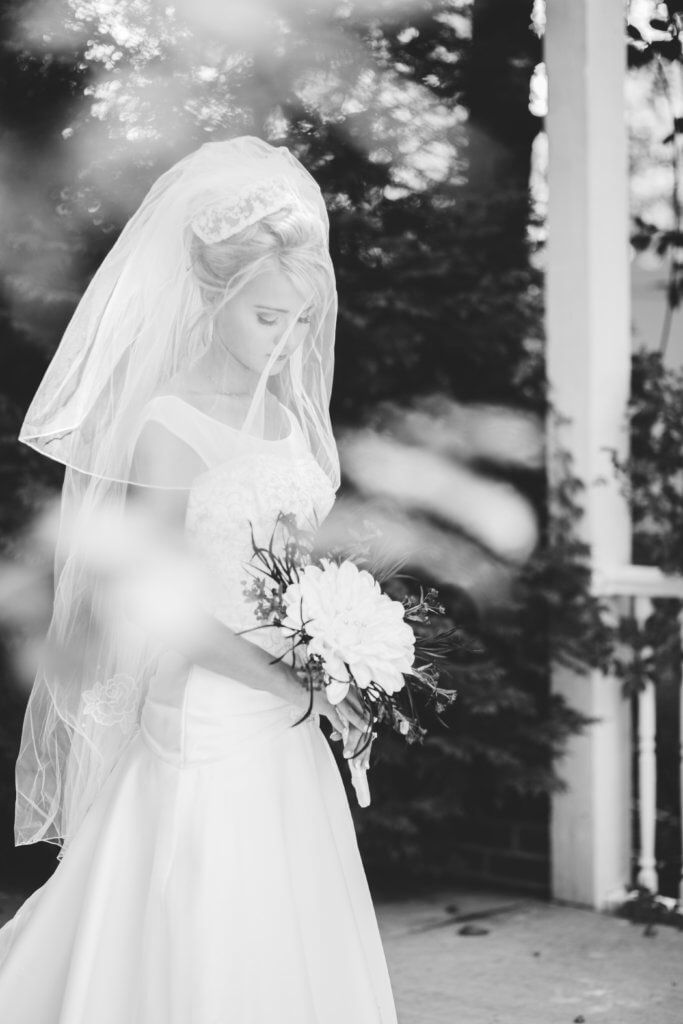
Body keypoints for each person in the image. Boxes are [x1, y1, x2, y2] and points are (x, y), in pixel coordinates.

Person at [0, 136, 398, 1022]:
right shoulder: (167, 426)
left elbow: (290, 567)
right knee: (207, 917)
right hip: (206, 711)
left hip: (283, 710)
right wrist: (296, 679)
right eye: (267, 319)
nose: (287, 343)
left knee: (289, 920)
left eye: (299, 322)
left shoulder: (289, 413)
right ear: (213, 295)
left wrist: (340, 644)